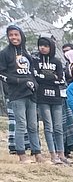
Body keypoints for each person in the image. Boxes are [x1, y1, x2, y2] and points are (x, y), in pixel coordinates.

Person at [2, 24, 43, 163]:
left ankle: (37, 154)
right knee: (21, 124)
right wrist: (19, 80)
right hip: (16, 95)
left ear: (21, 36)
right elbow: (2, 73)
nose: (14, 37)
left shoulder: (26, 54)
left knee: (33, 125)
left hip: (30, 94)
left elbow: (32, 73)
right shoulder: (5, 53)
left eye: (16, 34)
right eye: (11, 35)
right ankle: (22, 155)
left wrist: (34, 84)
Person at [32, 35, 68, 165]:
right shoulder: (35, 61)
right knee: (49, 127)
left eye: (46, 45)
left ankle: (61, 154)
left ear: (51, 47)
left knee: (58, 127)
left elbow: (61, 79)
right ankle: (53, 155)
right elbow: (36, 77)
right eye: (40, 45)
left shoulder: (57, 61)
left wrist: (47, 77)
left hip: (57, 97)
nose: (42, 48)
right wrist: (52, 77)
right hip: (42, 97)